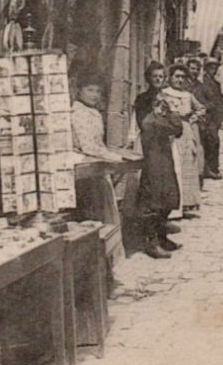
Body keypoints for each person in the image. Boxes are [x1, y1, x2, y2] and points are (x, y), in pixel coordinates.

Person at [128, 96, 184, 260]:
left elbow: (176, 130)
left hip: (163, 163)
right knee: (154, 203)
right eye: (159, 105)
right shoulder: (151, 121)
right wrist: (173, 111)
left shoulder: (156, 120)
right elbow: (177, 128)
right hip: (154, 166)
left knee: (166, 201)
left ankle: (161, 238)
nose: (162, 108)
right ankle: (151, 243)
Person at [160, 64, 206, 214]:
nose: (179, 80)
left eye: (182, 77)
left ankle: (186, 203)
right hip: (170, 131)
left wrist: (191, 119)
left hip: (185, 132)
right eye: (176, 76)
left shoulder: (187, 95)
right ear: (170, 77)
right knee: (173, 165)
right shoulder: (163, 94)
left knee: (187, 165)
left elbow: (201, 108)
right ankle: (171, 204)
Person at [71, 80, 124, 162]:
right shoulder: (78, 112)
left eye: (98, 91)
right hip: (80, 159)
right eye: (90, 90)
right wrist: (113, 156)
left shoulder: (94, 112)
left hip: (95, 157)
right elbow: (88, 147)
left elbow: (98, 143)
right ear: (79, 91)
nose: (94, 95)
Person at [200, 58, 223, 179]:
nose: (213, 70)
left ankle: (213, 167)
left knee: (214, 142)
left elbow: (220, 102)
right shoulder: (203, 82)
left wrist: (222, 119)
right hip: (207, 116)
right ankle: (208, 168)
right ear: (206, 68)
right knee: (210, 141)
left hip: (214, 118)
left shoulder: (215, 83)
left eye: (215, 68)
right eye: (211, 67)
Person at [135, 61, 167, 131]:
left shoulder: (167, 98)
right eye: (155, 76)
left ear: (164, 79)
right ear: (149, 78)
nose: (158, 79)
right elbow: (142, 124)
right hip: (148, 138)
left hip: (164, 139)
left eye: (161, 76)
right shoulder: (142, 98)